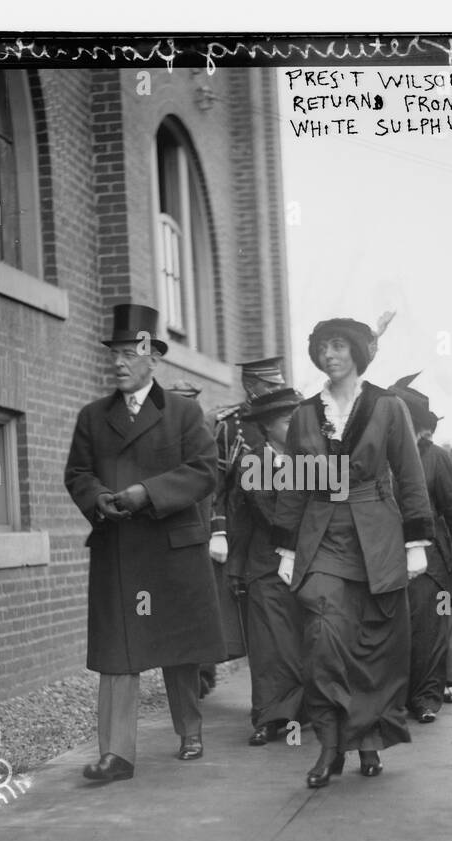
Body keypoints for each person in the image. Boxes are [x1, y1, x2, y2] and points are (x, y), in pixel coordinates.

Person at [64, 303, 225, 782]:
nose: (119, 361)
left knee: (178, 648)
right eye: (114, 353)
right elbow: (77, 473)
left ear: (153, 357)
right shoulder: (93, 417)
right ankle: (117, 754)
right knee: (118, 652)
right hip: (118, 549)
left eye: (130, 352)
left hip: (172, 545)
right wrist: (98, 498)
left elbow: (204, 471)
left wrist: (146, 493)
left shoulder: (183, 412)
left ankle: (190, 730)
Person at [272, 315, 434, 787]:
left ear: (358, 353)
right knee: (324, 640)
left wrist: (417, 542)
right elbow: (294, 487)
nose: (330, 355)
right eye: (323, 347)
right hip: (322, 539)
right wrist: (285, 549)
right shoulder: (305, 414)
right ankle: (329, 746)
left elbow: (408, 475)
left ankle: (368, 741)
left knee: (376, 646)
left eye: (340, 346)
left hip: (378, 538)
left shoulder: (387, 407)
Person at [390, 374, 452, 723]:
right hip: (385, 555)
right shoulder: (379, 456)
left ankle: (426, 698)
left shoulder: (436, 458)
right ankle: (396, 696)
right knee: (396, 629)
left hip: (430, 559)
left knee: (429, 628)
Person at [200, 357, 288, 695]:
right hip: (234, 528)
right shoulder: (225, 424)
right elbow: (215, 480)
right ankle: (203, 675)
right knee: (221, 609)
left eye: (279, 385)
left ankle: (283, 698)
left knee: (273, 615)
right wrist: (218, 529)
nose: (276, 390)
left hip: (274, 529)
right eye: (270, 386)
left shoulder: (289, 421)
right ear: (252, 386)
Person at [226, 386, 308, 745]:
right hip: (265, 566)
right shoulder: (252, 462)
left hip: (309, 565)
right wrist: (235, 569)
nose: (294, 427)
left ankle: (300, 712)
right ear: (268, 427)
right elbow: (251, 515)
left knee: (302, 642)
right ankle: (267, 717)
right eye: (288, 421)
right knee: (267, 646)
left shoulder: (312, 460)